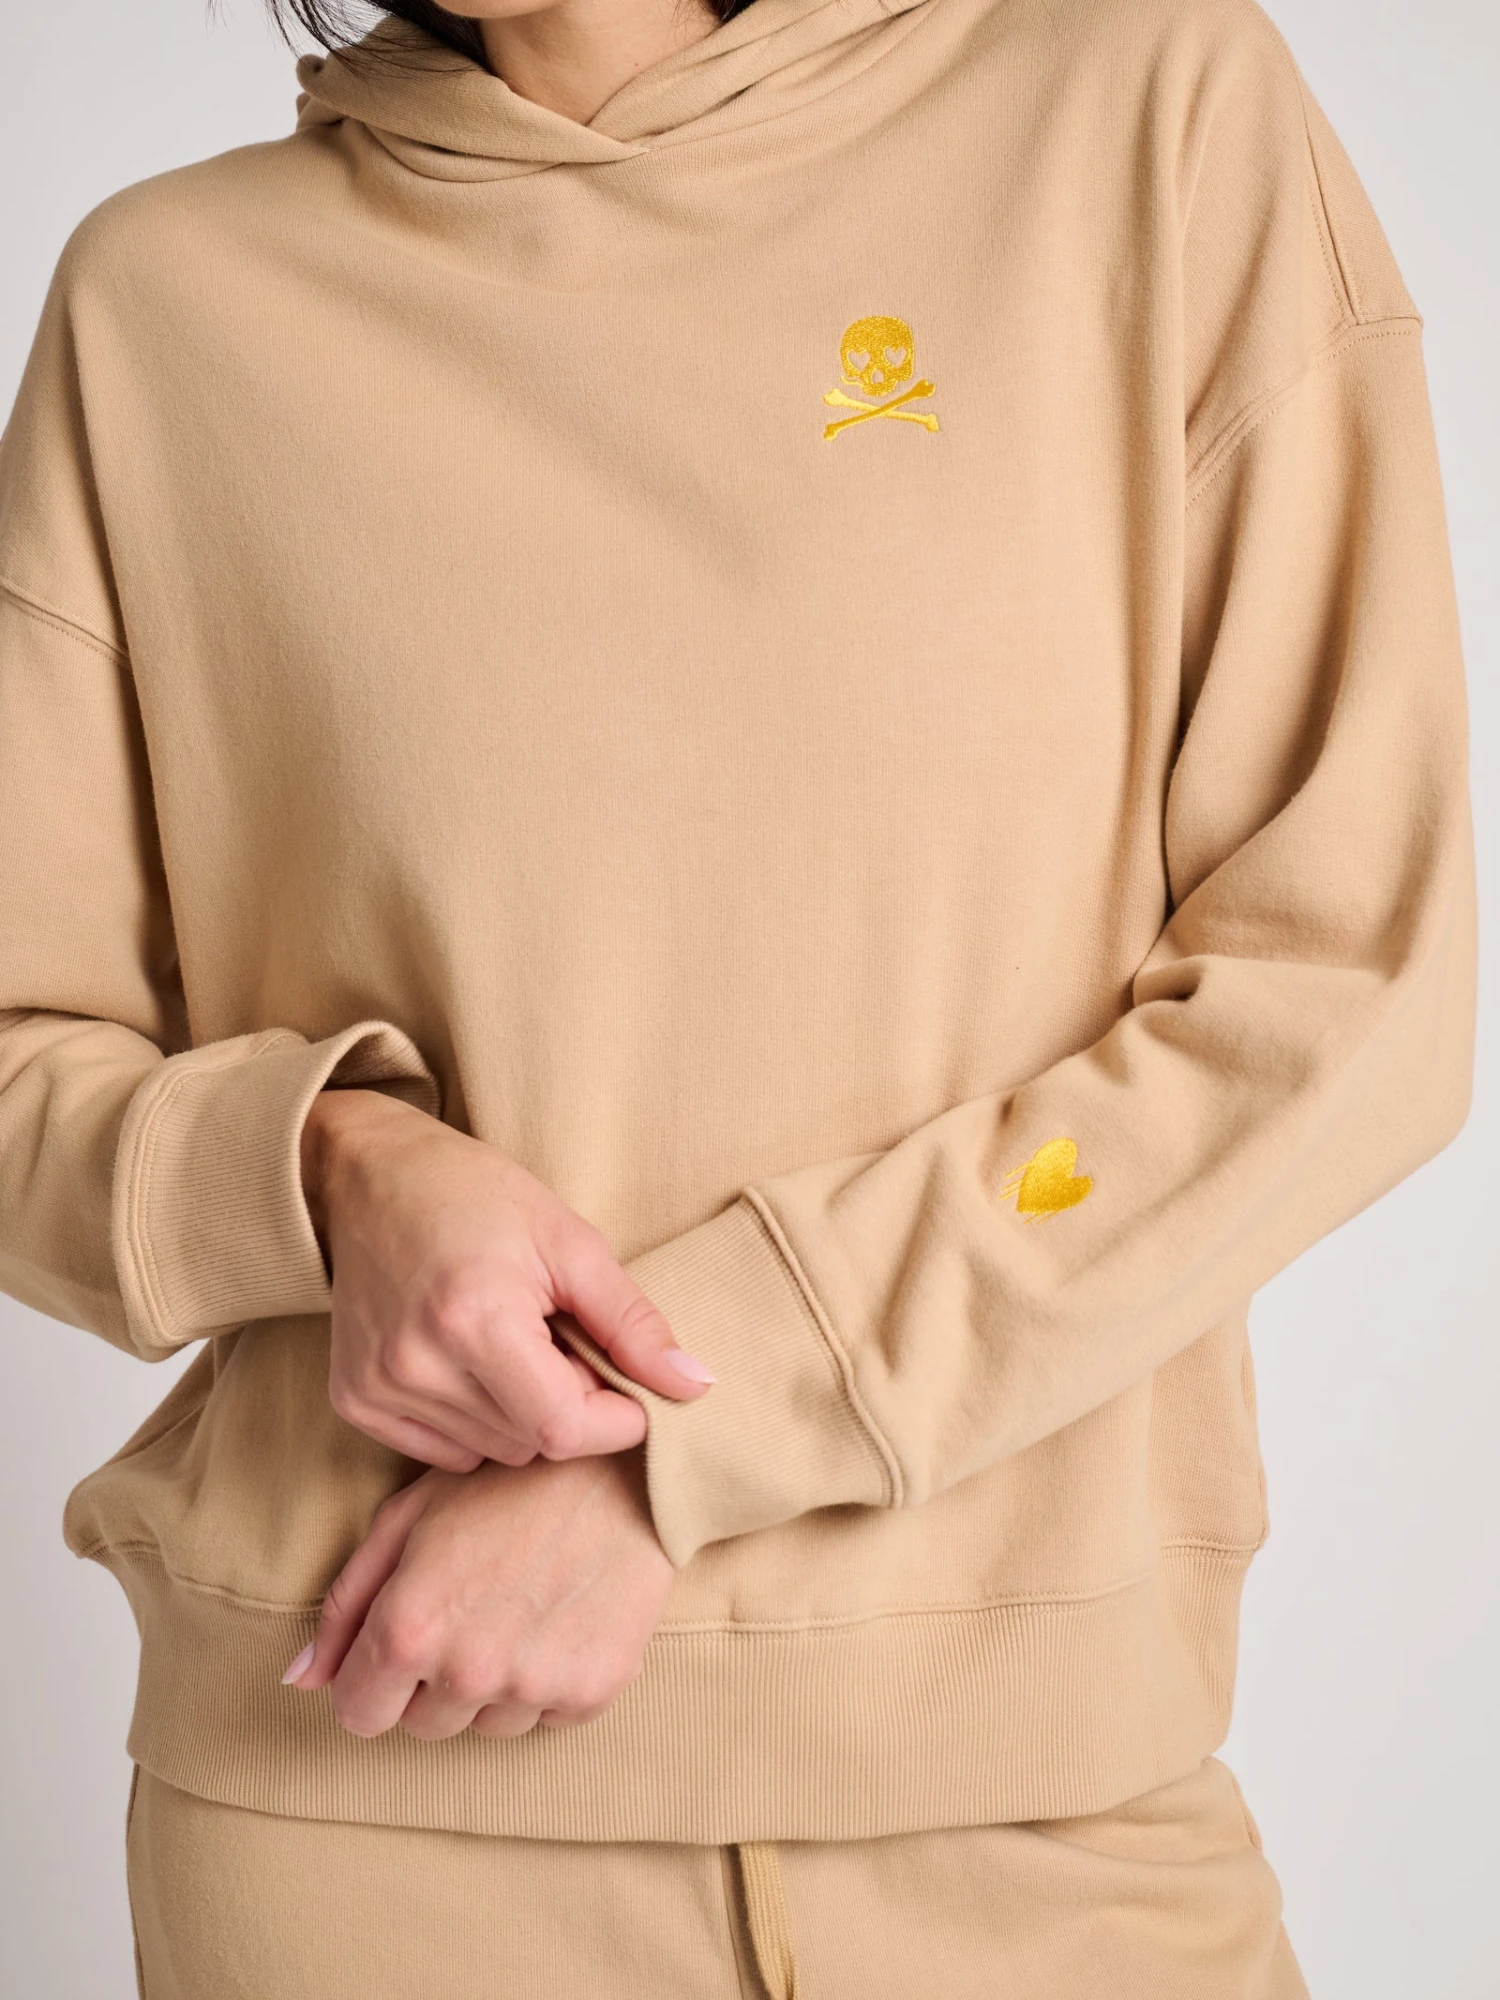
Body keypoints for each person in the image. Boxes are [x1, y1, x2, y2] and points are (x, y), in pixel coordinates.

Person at [0, 0, 1475, 1990]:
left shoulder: (1146, 113)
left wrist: (678, 1433)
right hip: (366, 1794)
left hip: (1035, 1816)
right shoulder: (166, 306)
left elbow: (1341, 983)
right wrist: (329, 1167)